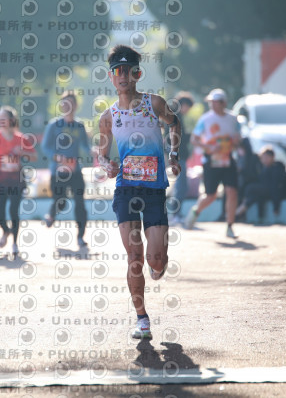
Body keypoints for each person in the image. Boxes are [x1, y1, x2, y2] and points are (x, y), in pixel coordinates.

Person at [97, 44, 181, 339]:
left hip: (154, 188)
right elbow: (102, 155)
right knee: (134, 256)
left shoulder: (153, 103)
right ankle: (142, 319)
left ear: (137, 74)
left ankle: (159, 265)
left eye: (128, 71)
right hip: (126, 189)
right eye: (117, 71)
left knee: (155, 259)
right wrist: (107, 166)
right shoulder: (108, 117)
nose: (122, 76)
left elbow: (175, 124)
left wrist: (173, 155)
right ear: (111, 76)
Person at [184, 88, 241, 238]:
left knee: (232, 191)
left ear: (223, 103)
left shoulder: (233, 119)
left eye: (216, 102)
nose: (213, 105)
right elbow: (194, 139)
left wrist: (235, 142)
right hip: (211, 161)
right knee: (211, 195)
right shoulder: (205, 119)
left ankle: (230, 226)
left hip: (228, 159)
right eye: (211, 102)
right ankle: (196, 211)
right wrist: (209, 147)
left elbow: (238, 137)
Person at [0, 106, 36, 258]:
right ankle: (6, 231)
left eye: (3, 117)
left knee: (13, 211)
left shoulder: (20, 138)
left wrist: (21, 152)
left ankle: (15, 244)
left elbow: (34, 156)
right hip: (0, 181)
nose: (0, 120)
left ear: (11, 120)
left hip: (16, 180)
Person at [41, 91, 91, 249]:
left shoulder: (79, 126)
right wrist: (56, 157)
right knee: (60, 202)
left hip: (75, 171)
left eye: (71, 103)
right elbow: (45, 146)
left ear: (76, 106)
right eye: (65, 103)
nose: (67, 106)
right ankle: (52, 214)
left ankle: (80, 237)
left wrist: (94, 151)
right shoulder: (54, 125)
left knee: (80, 203)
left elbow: (85, 146)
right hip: (58, 172)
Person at [236, 146, 286, 222]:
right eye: (262, 158)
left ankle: (237, 214)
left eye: (267, 157)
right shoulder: (263, 169)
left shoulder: (277, 169)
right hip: (264, 193)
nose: (264, 160)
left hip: (275, 193)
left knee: (250, 189)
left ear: (272, 157)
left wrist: (276, 207)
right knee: (253, 195)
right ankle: (239, 214)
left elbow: (276, 188)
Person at [218, 137, 261, 221]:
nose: (239, 150)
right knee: (228, 192)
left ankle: (237, 215)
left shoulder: (253, 158)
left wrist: (242, 171)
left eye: (241, 147)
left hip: (248, 183)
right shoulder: (237, 158)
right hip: (238, 182)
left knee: (240, 192)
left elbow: (255, 174)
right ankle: (225, 214)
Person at [168, 92, 193, 225]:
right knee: (182, 186)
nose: (188, 110)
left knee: (180, 186)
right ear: (183, 105)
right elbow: (175, 137)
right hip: (178, 156)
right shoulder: (175, 117)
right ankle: (175, 214)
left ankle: (176, 213)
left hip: (178, 155)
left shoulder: (175, 116)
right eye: (188, 107)